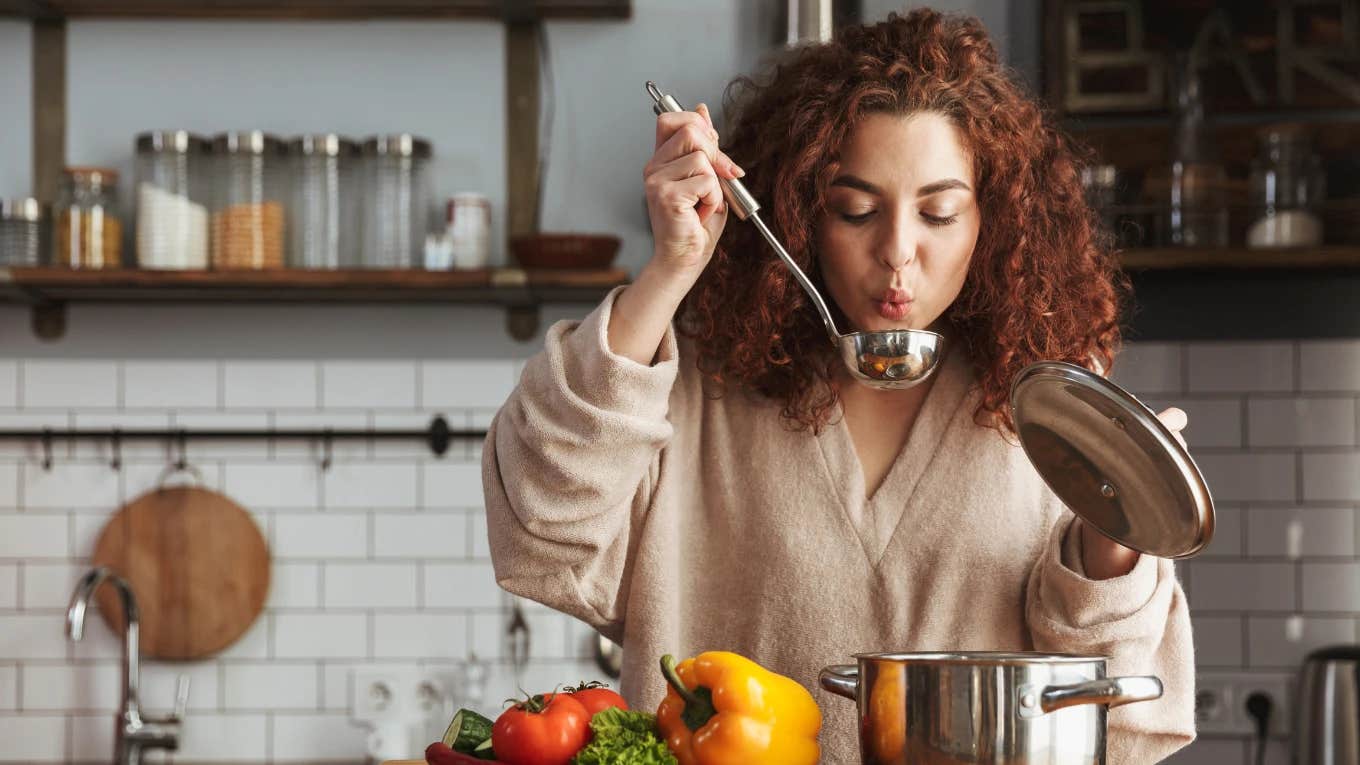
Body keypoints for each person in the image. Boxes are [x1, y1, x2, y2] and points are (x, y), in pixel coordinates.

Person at [482, 8, 1195, 763]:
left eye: (939, 212)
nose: (897, 253)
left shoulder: (1051, 407)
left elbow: (1116, 711)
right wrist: (670, 272)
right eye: (855, 210)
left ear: (996, 219)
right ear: (799, 212)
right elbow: (542, 528)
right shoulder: (698, 383)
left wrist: (1115, 537)